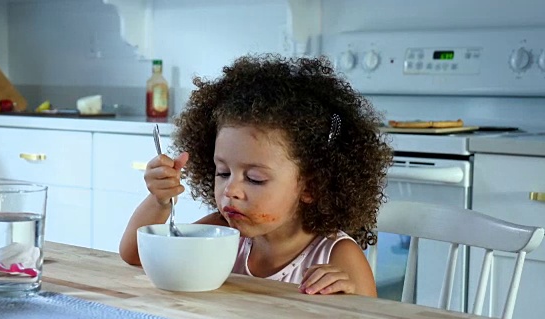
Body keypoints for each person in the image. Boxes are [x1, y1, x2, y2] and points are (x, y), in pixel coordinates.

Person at [120, 54, 393, 297]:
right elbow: (134, 255)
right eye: (223, 172)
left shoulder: (336, 254)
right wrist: (159, 202)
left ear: (311, 186)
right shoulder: (221, 232)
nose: (231, 190)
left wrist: (349, 295)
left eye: (254, 178)